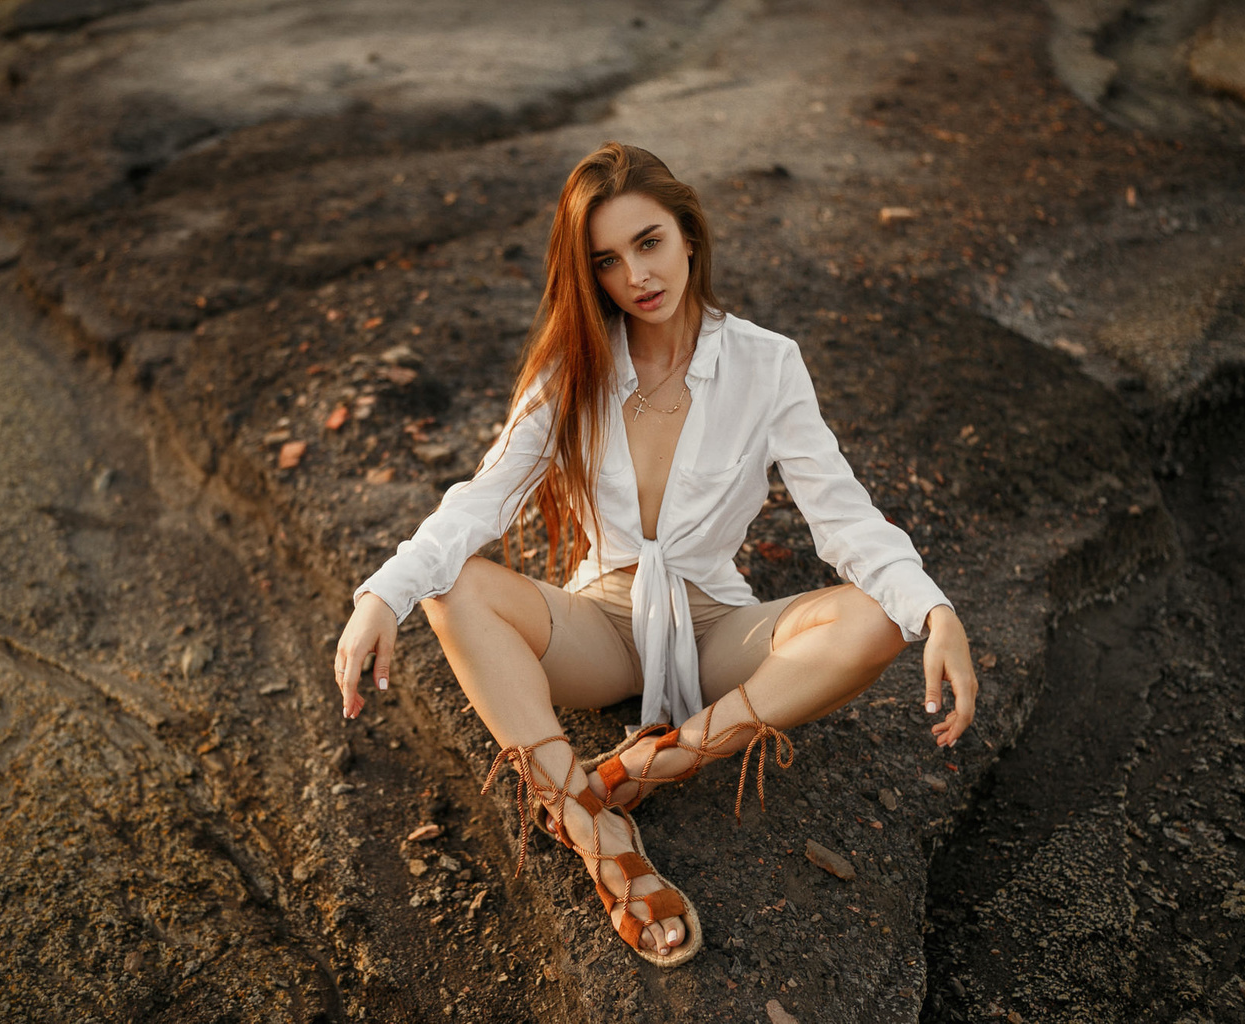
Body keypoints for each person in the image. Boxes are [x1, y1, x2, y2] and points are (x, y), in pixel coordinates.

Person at [333, 141, 977, 967]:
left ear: (688, 235)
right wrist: (379, 596)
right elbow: (482, 499)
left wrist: (934, 608)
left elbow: (844, 518)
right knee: (450, 590)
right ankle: (591, 824)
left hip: (713, 624)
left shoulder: (766, 363)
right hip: (597, 621)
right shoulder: (573, 367)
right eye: (608, 260)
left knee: (878, 618)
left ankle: (665, 757)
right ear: (588, 274)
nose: (637, 275)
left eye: (650, 242)